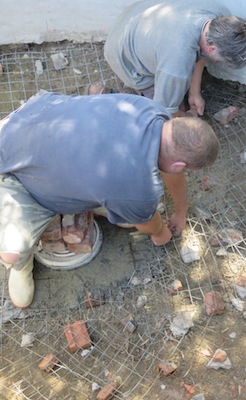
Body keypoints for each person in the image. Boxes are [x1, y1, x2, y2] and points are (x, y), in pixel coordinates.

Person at [0, 91, 219, 309]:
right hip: (12, 172)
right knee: (11, 251)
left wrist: (180, 211)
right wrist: (161, 233)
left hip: (38, 113)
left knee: (119, 193)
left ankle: (109, 201)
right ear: (180, 165)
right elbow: (149, 224)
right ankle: (20, 264)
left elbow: (172, 170)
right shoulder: (136, 185)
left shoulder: (153, 112)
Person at [101, 0, 246, 117]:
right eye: (221, 59)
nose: (219, 62)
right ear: (212, 48)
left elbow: (202, 52)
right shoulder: (176, 63)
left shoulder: (220, 16)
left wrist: (194, 93)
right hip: (123, 56)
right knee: (173, 113)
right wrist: (188, 119)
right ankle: (105, 94)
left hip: (136, 19)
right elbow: (162, 109)